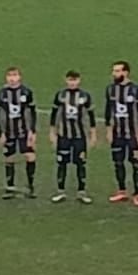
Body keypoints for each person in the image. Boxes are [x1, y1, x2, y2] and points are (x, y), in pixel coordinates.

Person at [105, 60, 138, 207]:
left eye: (117, 71)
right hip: (117, 134)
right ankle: (122, 190)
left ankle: (137, 193)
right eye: (114, 70)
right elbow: (108, 111)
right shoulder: (110, 89)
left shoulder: (136, 90)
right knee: (118, 162)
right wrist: (109, 131)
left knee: (136, 163)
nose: (114, 73)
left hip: (133, 134)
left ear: (125, 72)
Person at [49, 70, 94, 204]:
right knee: (62, 163)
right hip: (64, 136)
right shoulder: (60, 95)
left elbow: (91, 116)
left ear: (79, 80)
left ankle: (82, 192)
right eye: (70, 80)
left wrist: (93, 134)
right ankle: (60, 191)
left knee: (81, 163)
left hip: (80, 136)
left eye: (75, 80)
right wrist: (52, 132)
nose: (72, 83)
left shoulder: (85, 96)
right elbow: (54, 115)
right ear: (66, 80)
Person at [0, 67, 38, 199]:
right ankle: (10, 187)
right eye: (9, 75)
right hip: (9, 131)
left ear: (19, 77)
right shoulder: (1, 94)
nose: (12, 78)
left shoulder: (26, 92)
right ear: (6, 77)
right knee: (9, 157)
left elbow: (32, 113)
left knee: (30, 156)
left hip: (23, 131)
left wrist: (32, 131)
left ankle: (30, 186)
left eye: (15, 75)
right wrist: (0, 133)